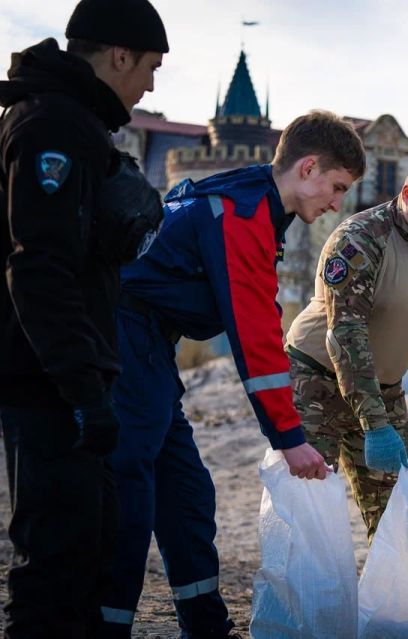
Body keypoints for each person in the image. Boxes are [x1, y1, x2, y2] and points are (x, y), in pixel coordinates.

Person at [99, 110, 365, 638]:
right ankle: (105, 626)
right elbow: (255, 329)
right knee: (129, 493)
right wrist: (289, 438)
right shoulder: (242, 213)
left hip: (148, 345)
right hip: (124, 337)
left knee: (186, 493)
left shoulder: (250, 198)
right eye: (336, 187)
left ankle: (205, 626)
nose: (337, 204)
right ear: (308, 168)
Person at [0, 0, 168, 635]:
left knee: (90, 543)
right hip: (47, 381)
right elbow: (39, 268)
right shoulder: (51, 125)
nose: (149, 86)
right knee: (53, 564)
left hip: (69, 377)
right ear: (120, 55)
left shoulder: (75, 122)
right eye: (149, 68)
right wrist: (81, 390)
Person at [285, 150, 408, 542]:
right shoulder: (360, 240)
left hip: (386, 385)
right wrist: (374, 424)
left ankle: (385, 585)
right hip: (315, 380)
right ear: (407, 195)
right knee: (307, 507)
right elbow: (346, 334)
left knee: (396, 514)